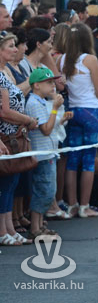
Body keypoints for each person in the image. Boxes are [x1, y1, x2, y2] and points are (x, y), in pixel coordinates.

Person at [60, 23, 98, 218]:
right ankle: (85, 205)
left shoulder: (62, 59)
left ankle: (72, 204)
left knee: (72, 159)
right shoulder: (90, 59)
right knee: (88, 160)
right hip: (90, 109)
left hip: (72, 110)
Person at [26, 67, 72, 241]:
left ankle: (39, 226)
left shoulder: (41, 102)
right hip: (43, 154)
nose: (52, 86)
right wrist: (55, 108)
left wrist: (60, 119)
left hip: (48, 152)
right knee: (43, 190)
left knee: (47, 190)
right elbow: (45, 129)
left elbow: (49, 126)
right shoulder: (34, 103)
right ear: (36, 85)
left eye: (53, 82)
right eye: (48, 82)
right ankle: (35, 228)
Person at [0, 31, 37, 245]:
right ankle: (3, 231)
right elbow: (4, 111)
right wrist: (27, 119)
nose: (15, 50)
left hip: (13, 133)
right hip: (6, 134)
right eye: (11, 46)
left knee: (11, 182)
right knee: (5, 183)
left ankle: (9, 229)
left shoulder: (5, 72)